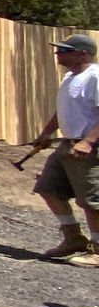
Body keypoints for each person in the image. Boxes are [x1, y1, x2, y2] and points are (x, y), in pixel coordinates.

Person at [31, 33, 99, 261]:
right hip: (68, 145)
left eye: (64, 50)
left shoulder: (95, 77)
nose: (57, 54)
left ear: (83, 53)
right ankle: (74, 238)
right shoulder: (70, 77)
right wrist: (46, 133)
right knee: (48, 187)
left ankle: (98, 250)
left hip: (89, 147)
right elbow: (63, 110)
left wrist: (88, 142)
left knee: (92, 200)